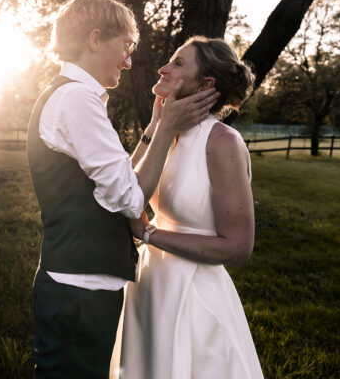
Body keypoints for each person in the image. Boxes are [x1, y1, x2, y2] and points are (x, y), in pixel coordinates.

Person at [27, 0, 220, 379]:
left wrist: (153, 128)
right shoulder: (77, 99)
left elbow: (115, 182)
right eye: (126, 47)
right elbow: (130, 199)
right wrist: (167, 130)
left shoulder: (72, 95)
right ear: (95, 38)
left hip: (76, 282)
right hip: (81, 290)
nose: (130, 62)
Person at [110, 36, 264, 379]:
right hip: (150, 285)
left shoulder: (222, 142)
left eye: (178, 64)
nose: (164, 68)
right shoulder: (169, 133)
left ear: (206, 84)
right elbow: (128, 194)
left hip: (193, 297)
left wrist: (149, 233)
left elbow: (238, 247)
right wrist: (156, 126)